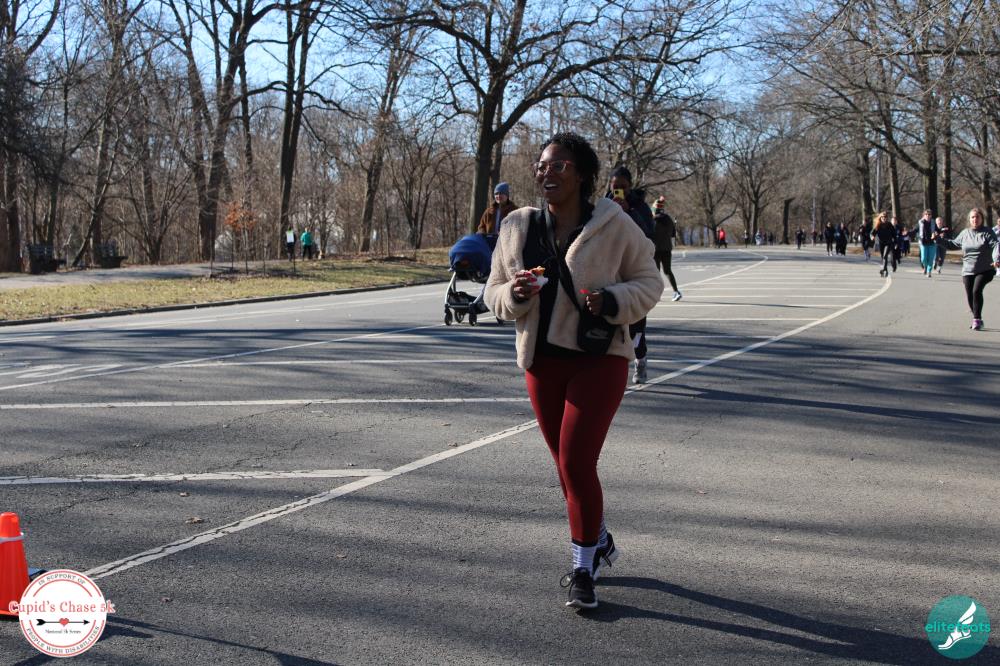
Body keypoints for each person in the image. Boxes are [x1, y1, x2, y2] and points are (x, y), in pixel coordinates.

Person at [484, 132, 662, 610]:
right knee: (566, 467)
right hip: (541, 361)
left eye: (558, 165)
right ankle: (597, 537)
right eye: (542, 165)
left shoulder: (613, 224)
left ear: (581, 174)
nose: (546, 172)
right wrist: (514, 295)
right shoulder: (517, 226)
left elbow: (649, 281)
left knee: (578, 462)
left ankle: (583, 570)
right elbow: (492, 290)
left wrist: (613, 300)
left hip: (599, 357)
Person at [606, 165, 654, 384]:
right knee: (611, 320)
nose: (620, 191)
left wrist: (629, 213)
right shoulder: (604, 205)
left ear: (630, 187)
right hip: (610, 269)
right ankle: (613, 368)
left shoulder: (639, 206)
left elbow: (648, 234)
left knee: (636, 323)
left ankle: (640, 357)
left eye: (623, 187)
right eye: (615, 187)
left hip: (635, 270)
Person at [940, 208, 1000, 330]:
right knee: (970, 295)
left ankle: (977, 319)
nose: (975, 219)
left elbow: (995, 246)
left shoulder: (987, 232)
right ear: (969, 219)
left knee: (976, 290)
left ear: (982, 219)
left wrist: (996, 259)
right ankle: (977, 317)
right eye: (972, 217)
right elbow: (953, 244)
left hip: (986, 269)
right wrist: (938, 240)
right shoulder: (965, 233)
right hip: (968, 270)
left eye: (977, 217)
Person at [652, 196, 682, 302]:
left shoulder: (652, 220)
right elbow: (673, 234)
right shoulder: (668, 219)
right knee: (668, 271)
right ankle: (676, 291)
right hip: (667, 248)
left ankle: (656, 294)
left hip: (655, 249)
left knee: (656, 272)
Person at [871, 212, 897, 277]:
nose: (884, 218)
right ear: (880, 218)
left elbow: (894, 234)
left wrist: (895, 242)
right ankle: (885, 270)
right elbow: (872, 233)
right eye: (882, 217)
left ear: (887, 218)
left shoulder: (889, 225)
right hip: (881, 243)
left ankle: (884, 270)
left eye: (885, 217)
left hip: (888, 243)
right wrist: (872, 236)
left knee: (885, 256)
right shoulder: (878, 225)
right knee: (883, 257)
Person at [916, 210, 937, 277]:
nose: (928, 215)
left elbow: (938, 230)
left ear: (931, 216)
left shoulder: (933, 223)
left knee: (930, 259)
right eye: (926, 214)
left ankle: (929, 272)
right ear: (924, 215)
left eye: (929, 214)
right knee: (923, 258)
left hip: (932, 243)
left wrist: (938, 233)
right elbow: (915, 230)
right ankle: (925, 266)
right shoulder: (920, 222)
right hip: (923, 243)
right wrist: (907, 233)